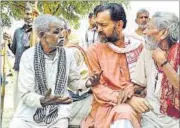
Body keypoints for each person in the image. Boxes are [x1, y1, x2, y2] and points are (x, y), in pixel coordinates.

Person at [9, 14, 97, 128]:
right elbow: (26, 94)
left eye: (62, 31)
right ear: (42, 35)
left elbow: (74, 82)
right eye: (56, 32)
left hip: (59, 112)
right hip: (29, 114)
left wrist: (88, 83)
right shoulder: (28, 56)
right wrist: (42, 100)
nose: (62, 35)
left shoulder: (68, 54)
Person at [81, 3, 144, 128]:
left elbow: (144, 79)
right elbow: (98, 88)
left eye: (103, 25)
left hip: (137, 101)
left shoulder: (138, 47)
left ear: (119, 25)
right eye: (97, 24)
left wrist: (133, 90)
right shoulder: (94, 51)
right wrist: (126, 99)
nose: (98, 29)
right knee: (124, 114)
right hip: (106, 104)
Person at [130, 11, 179, 128]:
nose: (145, 32)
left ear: (163, 32)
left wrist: (164, 63)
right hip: (150, 117)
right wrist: (130, 91)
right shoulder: (147, 52)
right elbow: (140, 83)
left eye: (149, 28)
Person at [3, 2, 38, 110]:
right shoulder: (18, 32)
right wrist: (8, 40)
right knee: (18, 98)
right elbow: (15, 51)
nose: (29, 17)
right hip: (20, 69)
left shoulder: (39, 32)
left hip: (34, 71)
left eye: (32, 14)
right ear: (24, 14)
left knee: (33, 98)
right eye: (27, 14)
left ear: (35, 16)